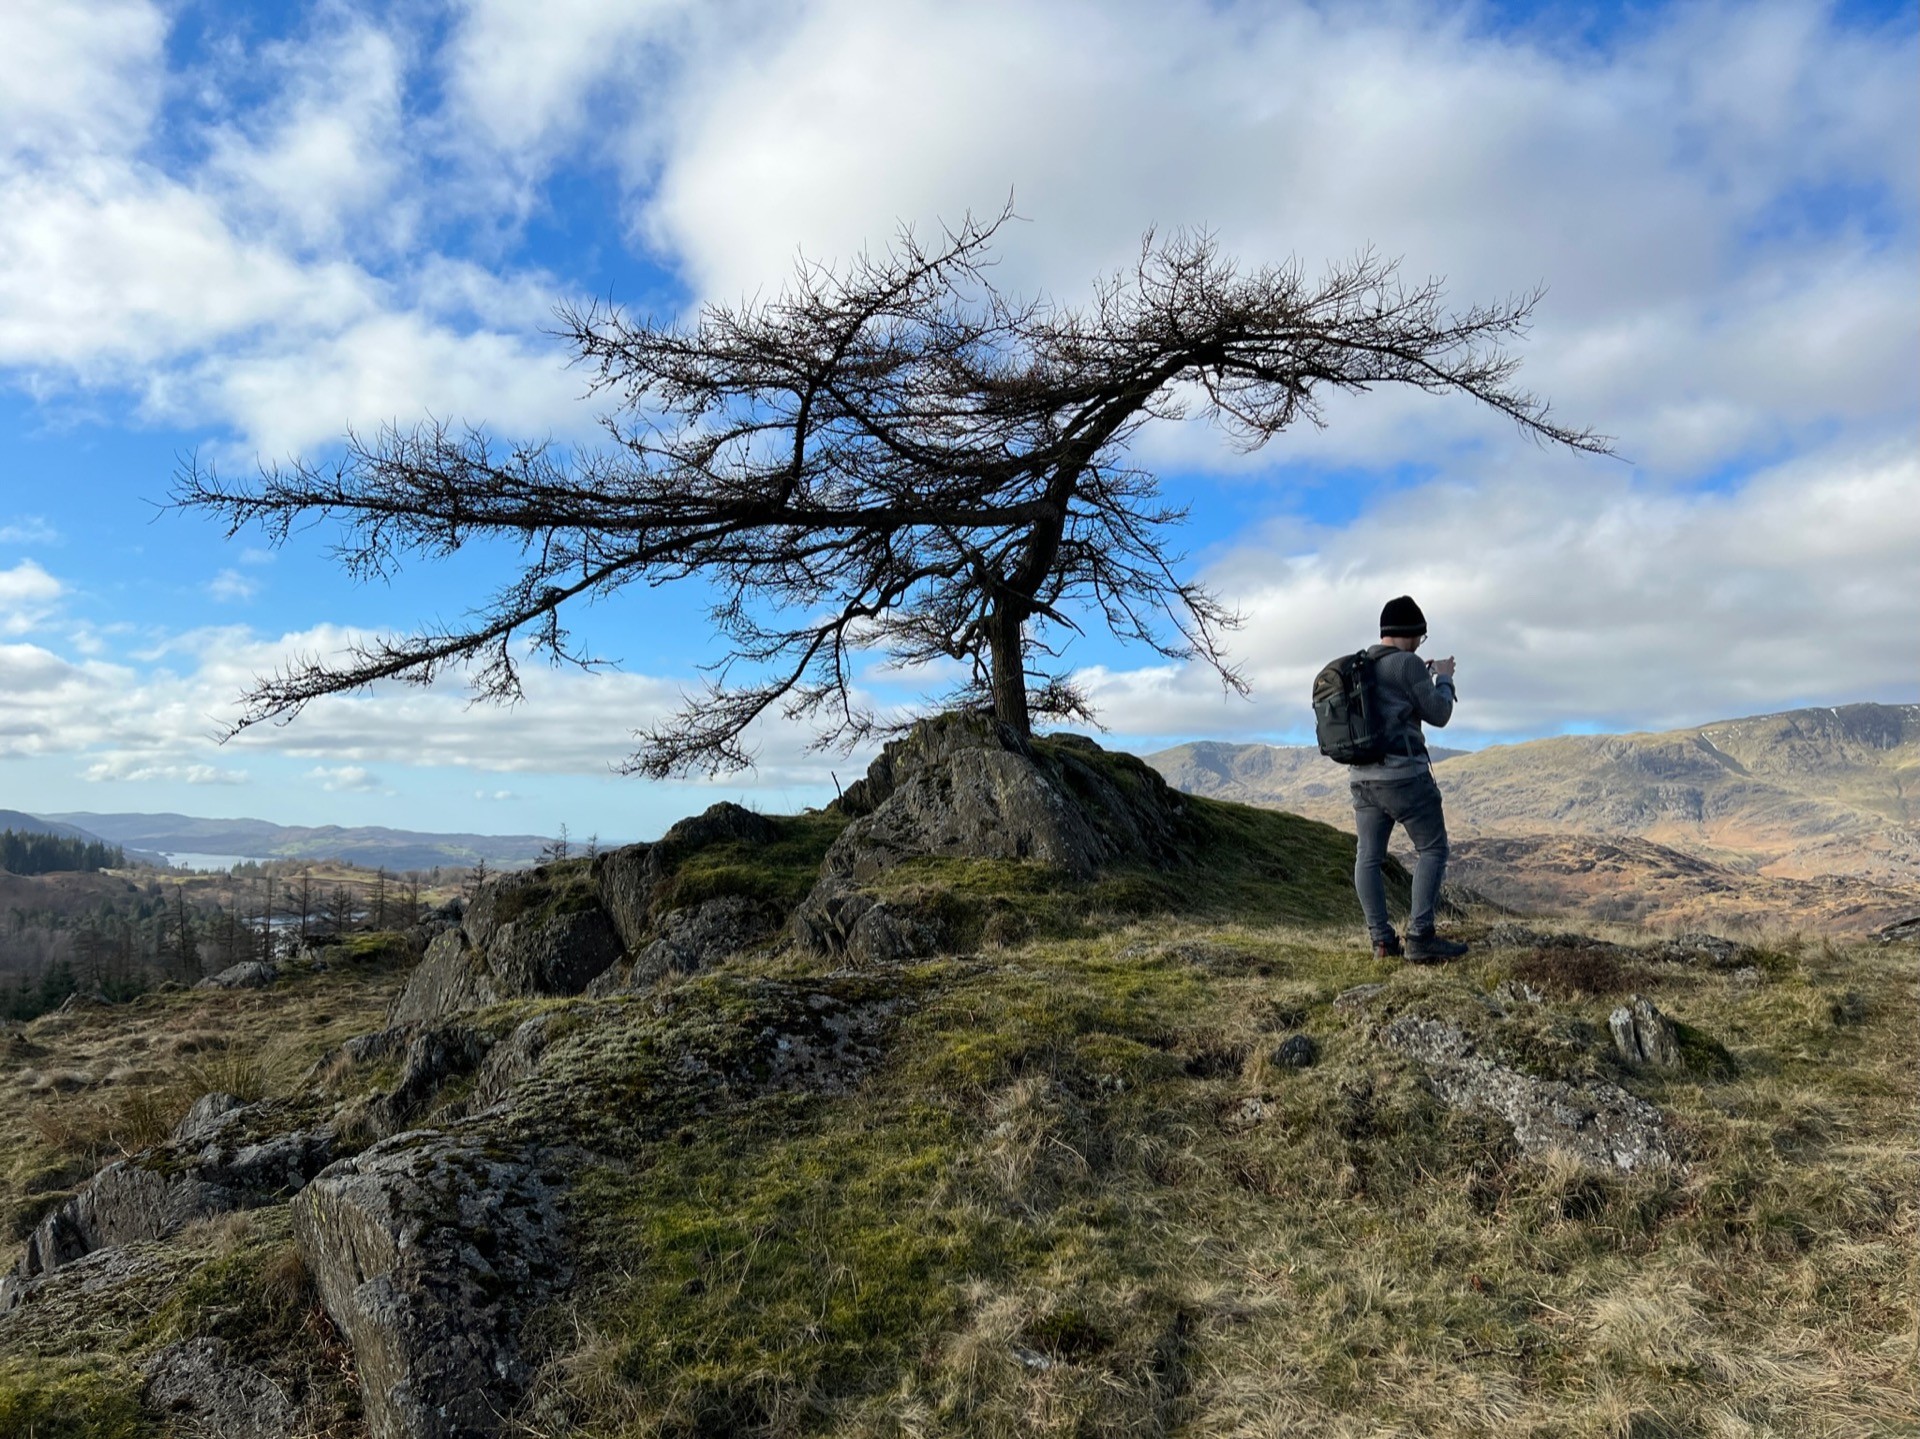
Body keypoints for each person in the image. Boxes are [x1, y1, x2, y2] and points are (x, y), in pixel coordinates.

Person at [1350, 595, 1467, 962]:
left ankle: (1382, 941)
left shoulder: (1362, 664)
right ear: (1411, 633)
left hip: (1362, 777)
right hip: (1404, 778)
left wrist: (1423, 675)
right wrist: (1444, 680)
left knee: (1368, 857)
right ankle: (1420, 937)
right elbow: (1439, 713)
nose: (1420, 644)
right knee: (1432, 848)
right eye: (1421, 636)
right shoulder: (1408, 665)